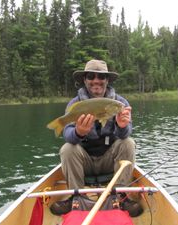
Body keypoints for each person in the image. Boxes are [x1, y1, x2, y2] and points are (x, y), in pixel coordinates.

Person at [50, 59, 143, 217]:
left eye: (101, 77)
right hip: (84, 162)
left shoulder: (119, 103)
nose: (96, 81)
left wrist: (122, 127)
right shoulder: (75, 104)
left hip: (110, 161)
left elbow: (125, 134)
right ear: (85, 80)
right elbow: (67, 135)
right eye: (91, 76)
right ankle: (77, 196)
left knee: (128, 143)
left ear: (107, 80)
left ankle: (120, 195)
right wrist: (79, 132)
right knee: (67, 149)